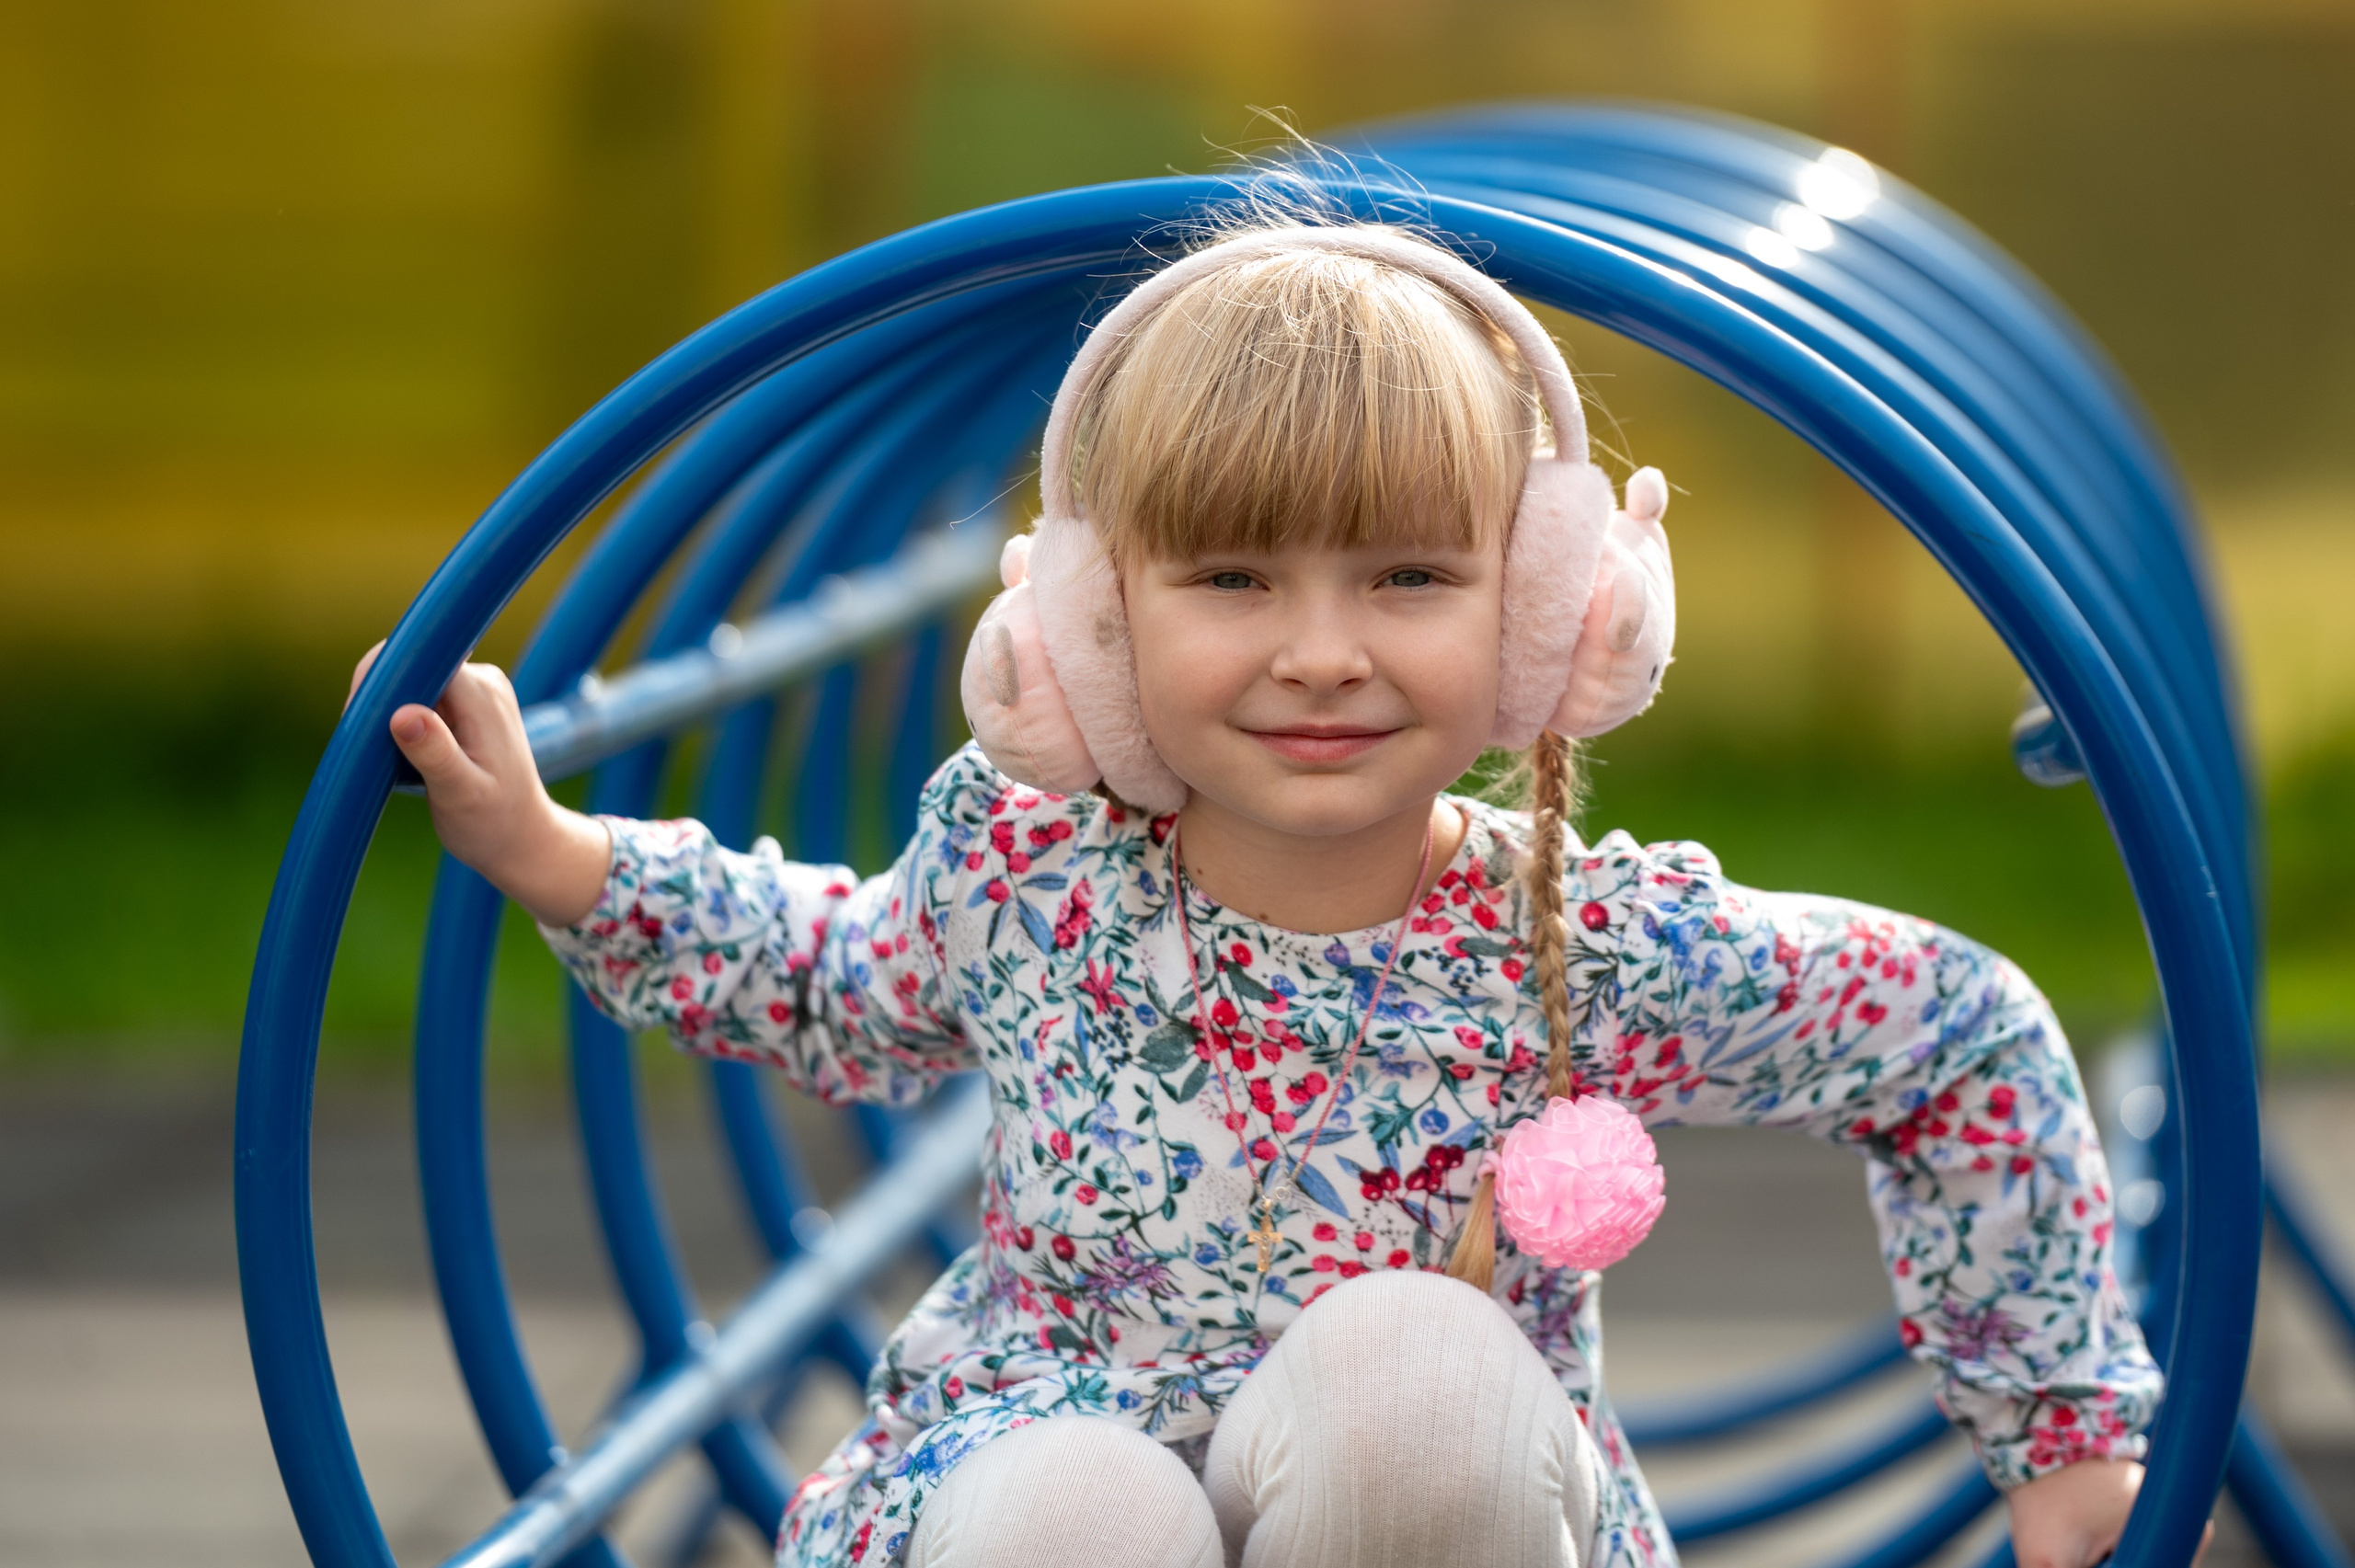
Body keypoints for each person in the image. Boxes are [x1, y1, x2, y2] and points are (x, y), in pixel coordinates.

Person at [360, 217, 2166, 1568]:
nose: (1320, 654)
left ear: (1547, 612)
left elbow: (1951, 1034)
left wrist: (2060, 1430)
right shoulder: (1027, 863)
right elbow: (838, 972)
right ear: (1087, 623)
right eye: (1230, 574)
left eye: (1404, 576)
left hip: (1414, 1503)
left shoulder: (1587, 944)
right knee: (1063, 1511)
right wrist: (563, 860)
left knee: (1415, 1372)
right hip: (1056, 1447)